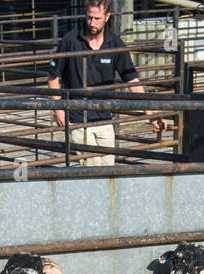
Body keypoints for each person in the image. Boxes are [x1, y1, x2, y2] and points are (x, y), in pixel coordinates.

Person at [47, 0, 165, 166]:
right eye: (89, 18)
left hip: (105, 118)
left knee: (108, 167)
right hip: (78, 117)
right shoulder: (70, 40)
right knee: (93, 168)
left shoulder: (114, 43)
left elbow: (132, 80)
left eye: (97, 18)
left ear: (107, 16)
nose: (92, 23)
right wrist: (58, 108)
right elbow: (53, 76)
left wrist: (151, 113)